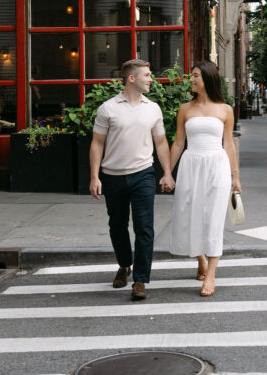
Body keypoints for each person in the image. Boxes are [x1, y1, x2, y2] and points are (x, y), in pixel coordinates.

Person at [89, 59, 174, 301]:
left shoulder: (153, 108)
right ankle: (125, 264)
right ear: (131, 78)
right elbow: (97, 143)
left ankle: (140, 279)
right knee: (117, 226)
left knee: (144, 227)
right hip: (113, 176)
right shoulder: (108, 108)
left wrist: (167, 172)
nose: (150, 79)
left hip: (143, 174)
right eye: (146, 75)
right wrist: (95, 176)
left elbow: (161, 142)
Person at [167, 61, 241, 297]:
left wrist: (235, 177)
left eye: (196, 76)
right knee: (188, 213)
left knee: (213, 219)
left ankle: (210, 275)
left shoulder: (225, 110)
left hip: (217, 165)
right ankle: (200, 257)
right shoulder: (185, 109)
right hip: (191, 164)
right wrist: (168, 172)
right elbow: (178, 142)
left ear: (207, 78)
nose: (191, 79)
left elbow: (229, 144)